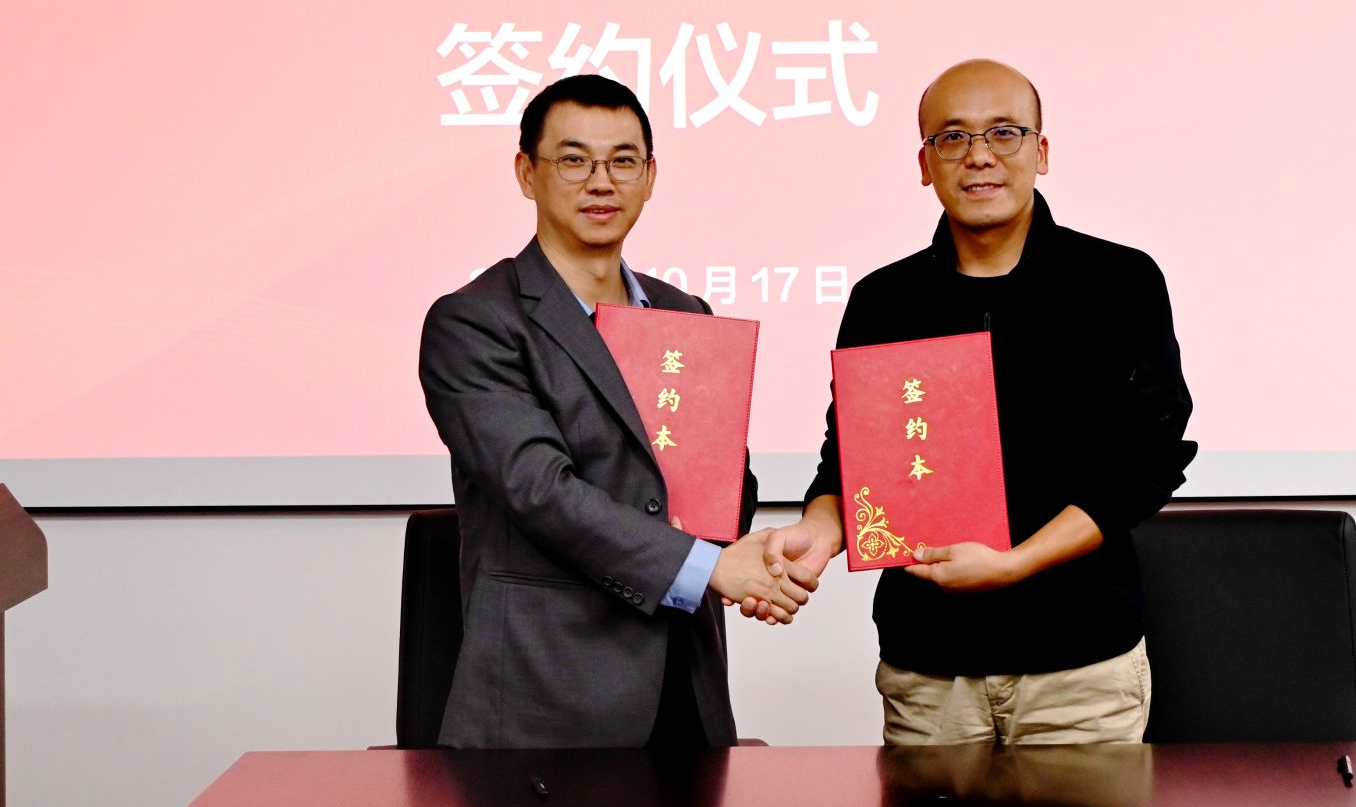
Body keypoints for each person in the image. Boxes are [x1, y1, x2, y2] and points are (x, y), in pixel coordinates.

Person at [761, 59, 1195, 746]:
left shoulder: (1118, 282)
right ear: (925, 163)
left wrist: (1016, 562)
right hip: (930, 669)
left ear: (1041, 151)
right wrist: (819, 533)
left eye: (1004, 132)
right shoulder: (884, 301)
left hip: (1080, 669)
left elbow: (1149, 461)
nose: (980, 155)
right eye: (953, 137)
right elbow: (849, 463)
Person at [419, 75, 814, 749]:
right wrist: (709, 567)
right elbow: (540, 491)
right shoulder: (475, 322)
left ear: (650, 176)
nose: (601, 181)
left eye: (623, 160)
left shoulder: (684, 314)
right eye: (574, 159)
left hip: (686, 690)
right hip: (548, 703)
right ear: (527, 173)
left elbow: (720, 481)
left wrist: (749, 553)